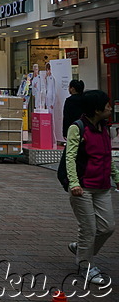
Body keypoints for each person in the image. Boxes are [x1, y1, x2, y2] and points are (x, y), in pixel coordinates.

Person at [64, 90, 117, 286]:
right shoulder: (77, 128)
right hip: (83, 187)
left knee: (107, 227)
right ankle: (86, 265)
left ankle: (81, 248)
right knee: (89, 229)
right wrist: (74, 183)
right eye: (107, 105)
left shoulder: (104, 128)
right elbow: (70, 157)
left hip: (102, 186)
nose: (110, 108)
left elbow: (106, 155)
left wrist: (115, 176)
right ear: (96, 109)